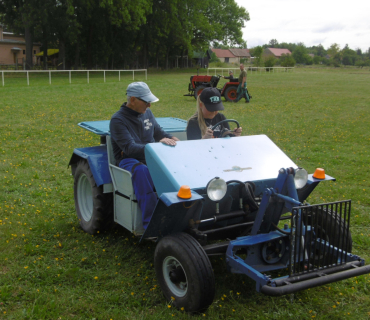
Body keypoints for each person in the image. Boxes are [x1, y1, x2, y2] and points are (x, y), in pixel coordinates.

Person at [110, 82, 179, 229]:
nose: (149, 105)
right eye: (146, 102)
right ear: (133, 100)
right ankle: (152, 224)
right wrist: (156, 147)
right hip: (129, 160)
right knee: (142, 172)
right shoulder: (118, 120)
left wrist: (173, 139)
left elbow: (159, 132)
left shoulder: (147, 113)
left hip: (151, 155)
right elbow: (129, 148)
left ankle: (179, 213)